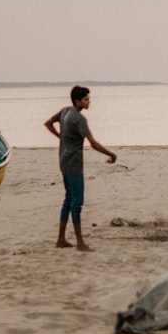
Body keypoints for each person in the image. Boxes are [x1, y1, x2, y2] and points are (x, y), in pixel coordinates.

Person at [44, 85, 117, 252]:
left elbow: (48, 123)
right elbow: (93, 143)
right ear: (77, 101)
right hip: (74, 164)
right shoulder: (78, 118)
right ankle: (80, 243)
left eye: (89, 99)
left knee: (68, 199)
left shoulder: (65, 111)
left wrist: (60, 137)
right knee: (77, 203)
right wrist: (111, 154)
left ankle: (61, 239)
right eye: (86, 99)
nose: (89, 102)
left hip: (63, 161)